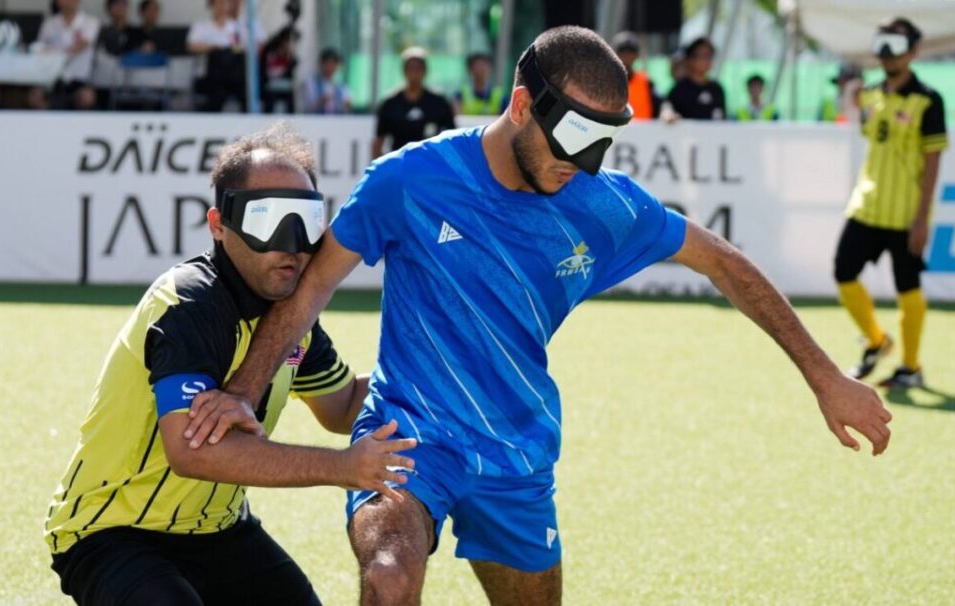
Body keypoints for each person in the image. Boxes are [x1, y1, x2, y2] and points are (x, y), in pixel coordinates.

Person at [191, 27, 891, 605]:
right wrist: (244, 391)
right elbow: (311, 290)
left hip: (518, 452)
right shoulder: (409, 180)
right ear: (524, 104)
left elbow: (724, 263)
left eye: (603, 142)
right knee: (389, 575)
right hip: (410, 438)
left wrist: (825, 376)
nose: (583, 165)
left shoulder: (601, 200)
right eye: (573, 138)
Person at [43, 124, 417, 605]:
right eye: (267, 218)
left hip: (219, 530)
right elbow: (193, 451)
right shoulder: (188, 303)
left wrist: (435, 369)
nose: (293, 243)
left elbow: (341, 405)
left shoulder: (292, 319)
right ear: (219, 224)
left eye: (305, 219)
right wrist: (344, 467)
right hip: (113, 532)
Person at [834, 17, 948, 388]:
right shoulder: (871, 93)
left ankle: (911, 367)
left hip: (905, 214)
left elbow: (933, 162)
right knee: (843, 272)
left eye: (896, 44)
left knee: (908, 287)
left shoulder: (929, 100)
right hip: (866, 206)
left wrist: (921, 220)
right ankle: (877, 341)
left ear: (913, 52)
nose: (886, 52)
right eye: (883, 41)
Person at [372, 46, 455, 158]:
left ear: (425, 71)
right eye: (410, 68)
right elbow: (378, 141)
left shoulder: (439, 102)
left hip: (431, 165)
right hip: (401, 166)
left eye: (418, 68)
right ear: (403, 70)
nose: (414, 73)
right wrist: (384, 171)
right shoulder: (390, 103)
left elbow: (451, 138)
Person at [35, 0, 99, 109]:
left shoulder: (90, 22)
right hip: (51, 78)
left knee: (87, 97)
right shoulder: (49, 23)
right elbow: (39, 48)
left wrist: (55, 52)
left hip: (79, 79)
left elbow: (80, 46)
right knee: (35, 96)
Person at [187, 0, 247, 111]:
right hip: (209, 75)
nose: (222, 6)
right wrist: (213, 47)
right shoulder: (201, 26)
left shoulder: (235, 27)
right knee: (217, 56)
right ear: (212, 5)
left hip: (233, 75)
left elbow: (238, 48)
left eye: (225, 3)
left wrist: (228, 49)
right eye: (218, 3)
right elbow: (192, 46)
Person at [666, 36, 726, 121]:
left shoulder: (716, 89)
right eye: (703, 56)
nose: (706, 60)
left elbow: (721, 119)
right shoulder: (679, 90)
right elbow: (669, 113)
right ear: (690, 59)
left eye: (709, 56)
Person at [611, 30, 658, 120]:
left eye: (631, 51)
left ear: (637, 55)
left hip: (642, 133)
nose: (627, 55)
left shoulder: (646, 81)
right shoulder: (604, 82)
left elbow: (662, 104)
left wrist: (667, 111)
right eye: (622, 51)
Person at [454, 52, 508, 116]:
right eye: (476, 66)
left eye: (483, 65)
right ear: (469, 70)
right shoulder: (460, 95)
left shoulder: (500, 96)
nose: (480, 70)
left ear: (490, 68)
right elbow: (457, 118)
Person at [301, 47, 352, 114]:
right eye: (327, 63)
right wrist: (321, 102)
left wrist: (346, 106)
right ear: (321, 64)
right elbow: (306, 107)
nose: (329, 67)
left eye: (333, 64)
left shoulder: (342, 87)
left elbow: (347, 107)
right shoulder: (310, 84)